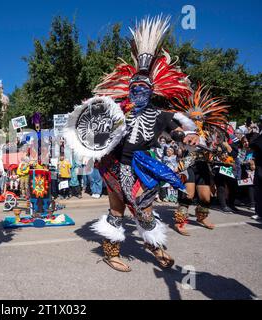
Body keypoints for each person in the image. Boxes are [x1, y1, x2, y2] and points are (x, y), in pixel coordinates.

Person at [88, 16, 199, 272]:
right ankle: (111, 252)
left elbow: (179, 131)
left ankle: (155, 245)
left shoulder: (162, 116)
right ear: (127, 90)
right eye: (133, 88)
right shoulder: (117, 112)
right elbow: (95, 133)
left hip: (142, 166)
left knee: (145, 210)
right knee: (117, 211)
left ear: (152, 91)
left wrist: (188, 137)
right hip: (114, 165)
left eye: (142, 88)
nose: (137, 91)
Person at [170, 84, 230, 234]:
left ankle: (201, 217)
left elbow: (220, 148)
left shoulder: (208, 134)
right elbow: (182, 142)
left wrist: (220, 150)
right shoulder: (185, 131)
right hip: (188, 164)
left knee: (206, 197)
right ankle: (179, 221)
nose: (199, 120)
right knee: (188, 195)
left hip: (203, 165)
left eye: (201, 118)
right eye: (196, 118)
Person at [250, 132, 262, 220]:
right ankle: (259, 212)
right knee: (258, 190)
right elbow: (252, 144)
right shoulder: (259, 138)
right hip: (260, 167)